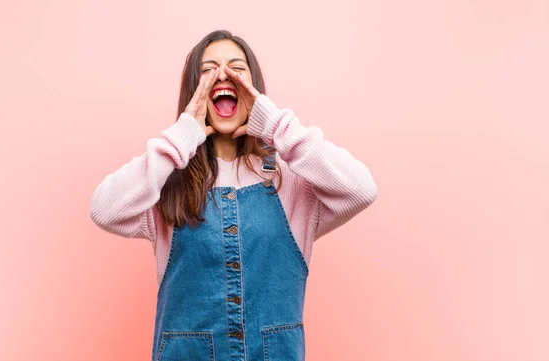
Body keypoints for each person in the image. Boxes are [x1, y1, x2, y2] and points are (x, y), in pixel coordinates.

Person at [90, 29, 378, 361]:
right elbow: (104, 209)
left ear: (254, 89)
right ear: (194, 92)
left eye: (236, 68)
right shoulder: (167, 181)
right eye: (209, 69)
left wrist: (276, 127)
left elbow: (362, 189)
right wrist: (182, 137)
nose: (223, 74)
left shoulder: (292, 181)